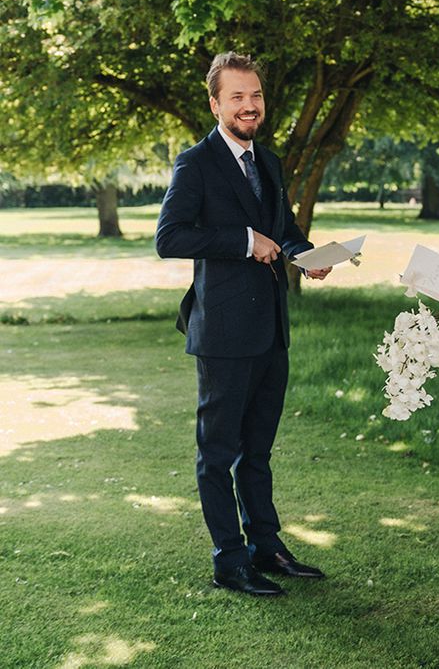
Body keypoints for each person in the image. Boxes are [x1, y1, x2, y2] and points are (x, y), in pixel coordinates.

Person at [155, 52, 331, 597]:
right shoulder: (195, 163)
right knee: (218, 455)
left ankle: (267, 547)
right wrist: (242, 242)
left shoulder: (270, 162)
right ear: (215, 104)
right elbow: (170, 238)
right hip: (224, 334)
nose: (249, 105)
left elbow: (287, 228)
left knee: (258, 451)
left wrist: (307, 254)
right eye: (237, 97)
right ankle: (229, 561)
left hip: (271, 330)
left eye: (255, 95)